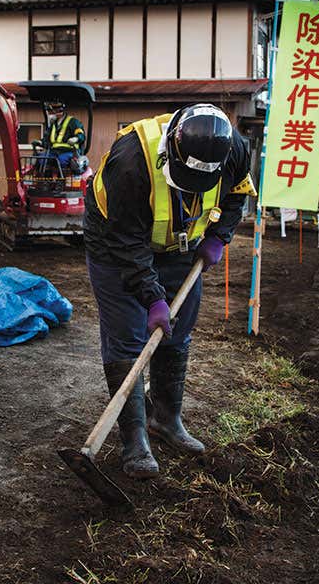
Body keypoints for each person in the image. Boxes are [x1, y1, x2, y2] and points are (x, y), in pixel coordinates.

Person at [84, 104, 255, 478]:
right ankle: (134, 440)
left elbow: (237, 195)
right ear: (170, 152)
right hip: (115, 245)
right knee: (128, 338)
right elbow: (126, 242)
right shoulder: (131, 162)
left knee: (177, 330)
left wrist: (218, 237)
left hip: (182, 242)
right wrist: (152, 296)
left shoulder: (234, 149)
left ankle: (167, 419)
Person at [39, 100, 86, 178]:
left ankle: (61, 182)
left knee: (61, 160)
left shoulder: (73, 122)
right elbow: (47, 139)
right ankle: (46, 181)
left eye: (57, 109)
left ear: (62, 109)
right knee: (42, 159)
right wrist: (40, 142)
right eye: (52, 109)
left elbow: (81, 135)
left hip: (69, 151)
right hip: (53, 152)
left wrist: (76, 138)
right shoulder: (53, 124)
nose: (54, 112)